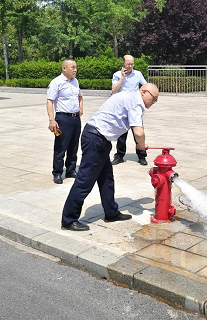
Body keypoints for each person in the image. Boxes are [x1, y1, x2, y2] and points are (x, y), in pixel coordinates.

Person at [61, 83, 160, 231]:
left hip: (99, 139)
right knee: (85, 181)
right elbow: (138, 132)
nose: (154, 102)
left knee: (106, 179)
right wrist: (141, 145)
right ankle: (68, 220)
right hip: (96, 139)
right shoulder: (136, 102)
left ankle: (111, 213)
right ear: (144, 91)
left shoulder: (131, 97)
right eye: (154, 98)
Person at [46, 59, 83, 185]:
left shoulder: (75, 81)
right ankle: (57, 172)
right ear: (64, 68)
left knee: (74, 145)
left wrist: (80, 107)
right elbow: (50, 101)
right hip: (63, 119)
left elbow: (80, 96)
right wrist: (52, 120)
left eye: (76, 67)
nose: (75, 70)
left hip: (75, 118)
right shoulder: (56, 82)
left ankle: (70, 170)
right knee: (61, 146)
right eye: (73, 67)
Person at [111, 55, 148, 166]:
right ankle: (119, 156)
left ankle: (142, 155)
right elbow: (114, 90)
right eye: (128, 64)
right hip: (122, 108)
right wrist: (122, 78)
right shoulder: (117, 75)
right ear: (123, 63)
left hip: (134, 107)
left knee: (138, 132)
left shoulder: (138, 74)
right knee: (121, 134)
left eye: (132, 64)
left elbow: (146, 86)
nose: (130, 66)